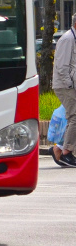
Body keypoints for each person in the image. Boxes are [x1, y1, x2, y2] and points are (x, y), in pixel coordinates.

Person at [52, 15, 76, 167]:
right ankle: (66, 152)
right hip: (64, 86)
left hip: (70, 85)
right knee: (75, 116)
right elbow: (61, 66)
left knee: (72, 117)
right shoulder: (68, 39)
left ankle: (59, 149)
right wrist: (69, 85)